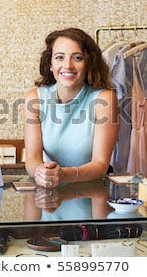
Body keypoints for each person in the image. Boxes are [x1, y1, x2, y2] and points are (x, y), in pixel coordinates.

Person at [24, 28, 119, 188]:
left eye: (77, 58)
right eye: (59, 57)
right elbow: (32, 159)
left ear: (88, 63)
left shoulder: (104, 100)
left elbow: (101, 165)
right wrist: (40, 172)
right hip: (49, 197)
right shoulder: (35, 99)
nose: (68, 65)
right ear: (51, 64)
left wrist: (64, 175)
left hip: (92, 196)